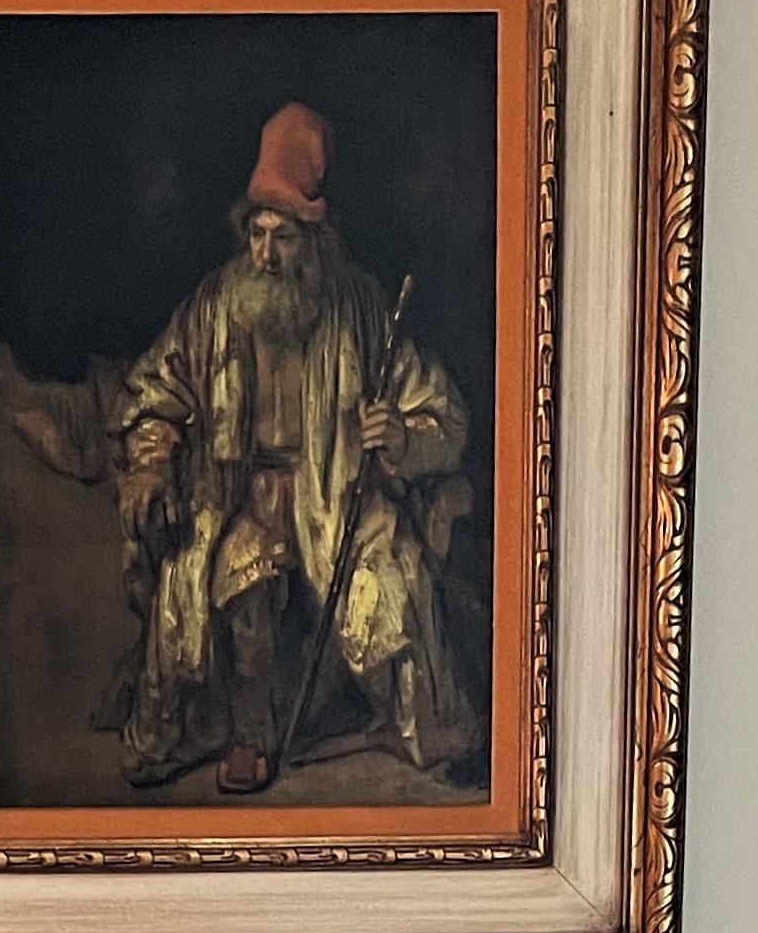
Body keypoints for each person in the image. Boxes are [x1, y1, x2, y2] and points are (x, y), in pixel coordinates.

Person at [109, 104, 480, 795]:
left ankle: (423, 727)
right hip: (235, 497)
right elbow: (154, 395)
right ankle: (246, 737)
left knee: (387, 583)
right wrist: (153, 463)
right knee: (228, 583)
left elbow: (443, 414)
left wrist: (400, 437)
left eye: (282, 237)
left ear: (312, 241)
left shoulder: (361, 308)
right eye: (256, 233)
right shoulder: (215, 305)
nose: (265, 254)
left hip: (338, 494)